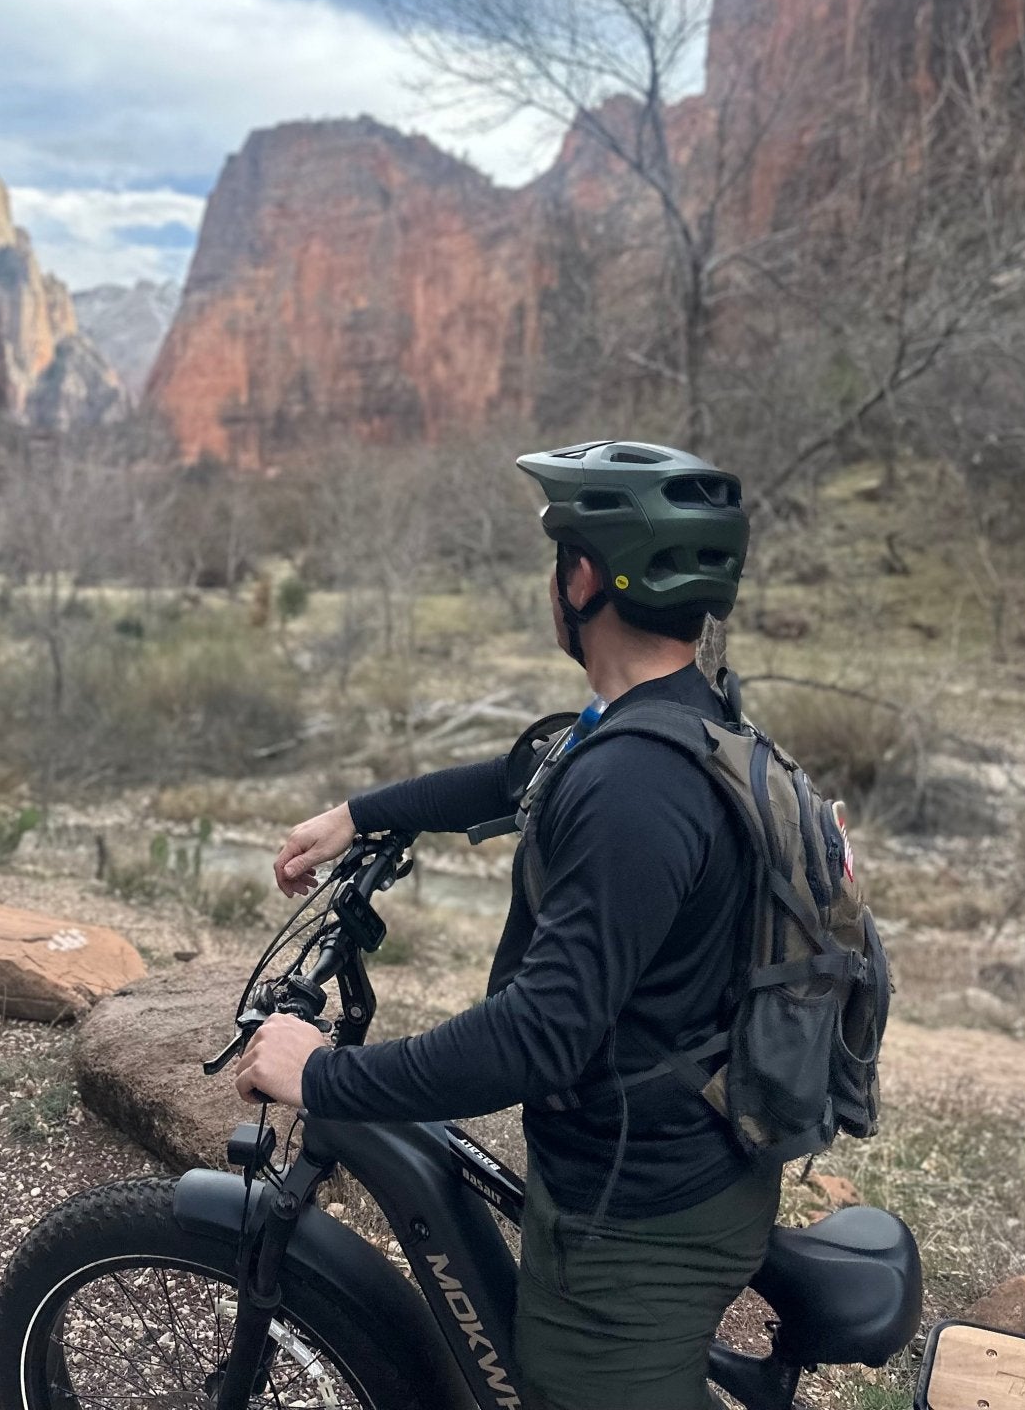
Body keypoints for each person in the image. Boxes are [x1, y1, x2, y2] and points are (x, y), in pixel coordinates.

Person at [236, 440, 774, 1410]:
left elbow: (538, 1037)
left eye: (557, 560)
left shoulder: (636, 790)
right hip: (662, 1149)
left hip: (642, 1212)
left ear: (582, 578)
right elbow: (517, 776)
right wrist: (361, 814)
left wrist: (323, 1073)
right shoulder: (664, 719)